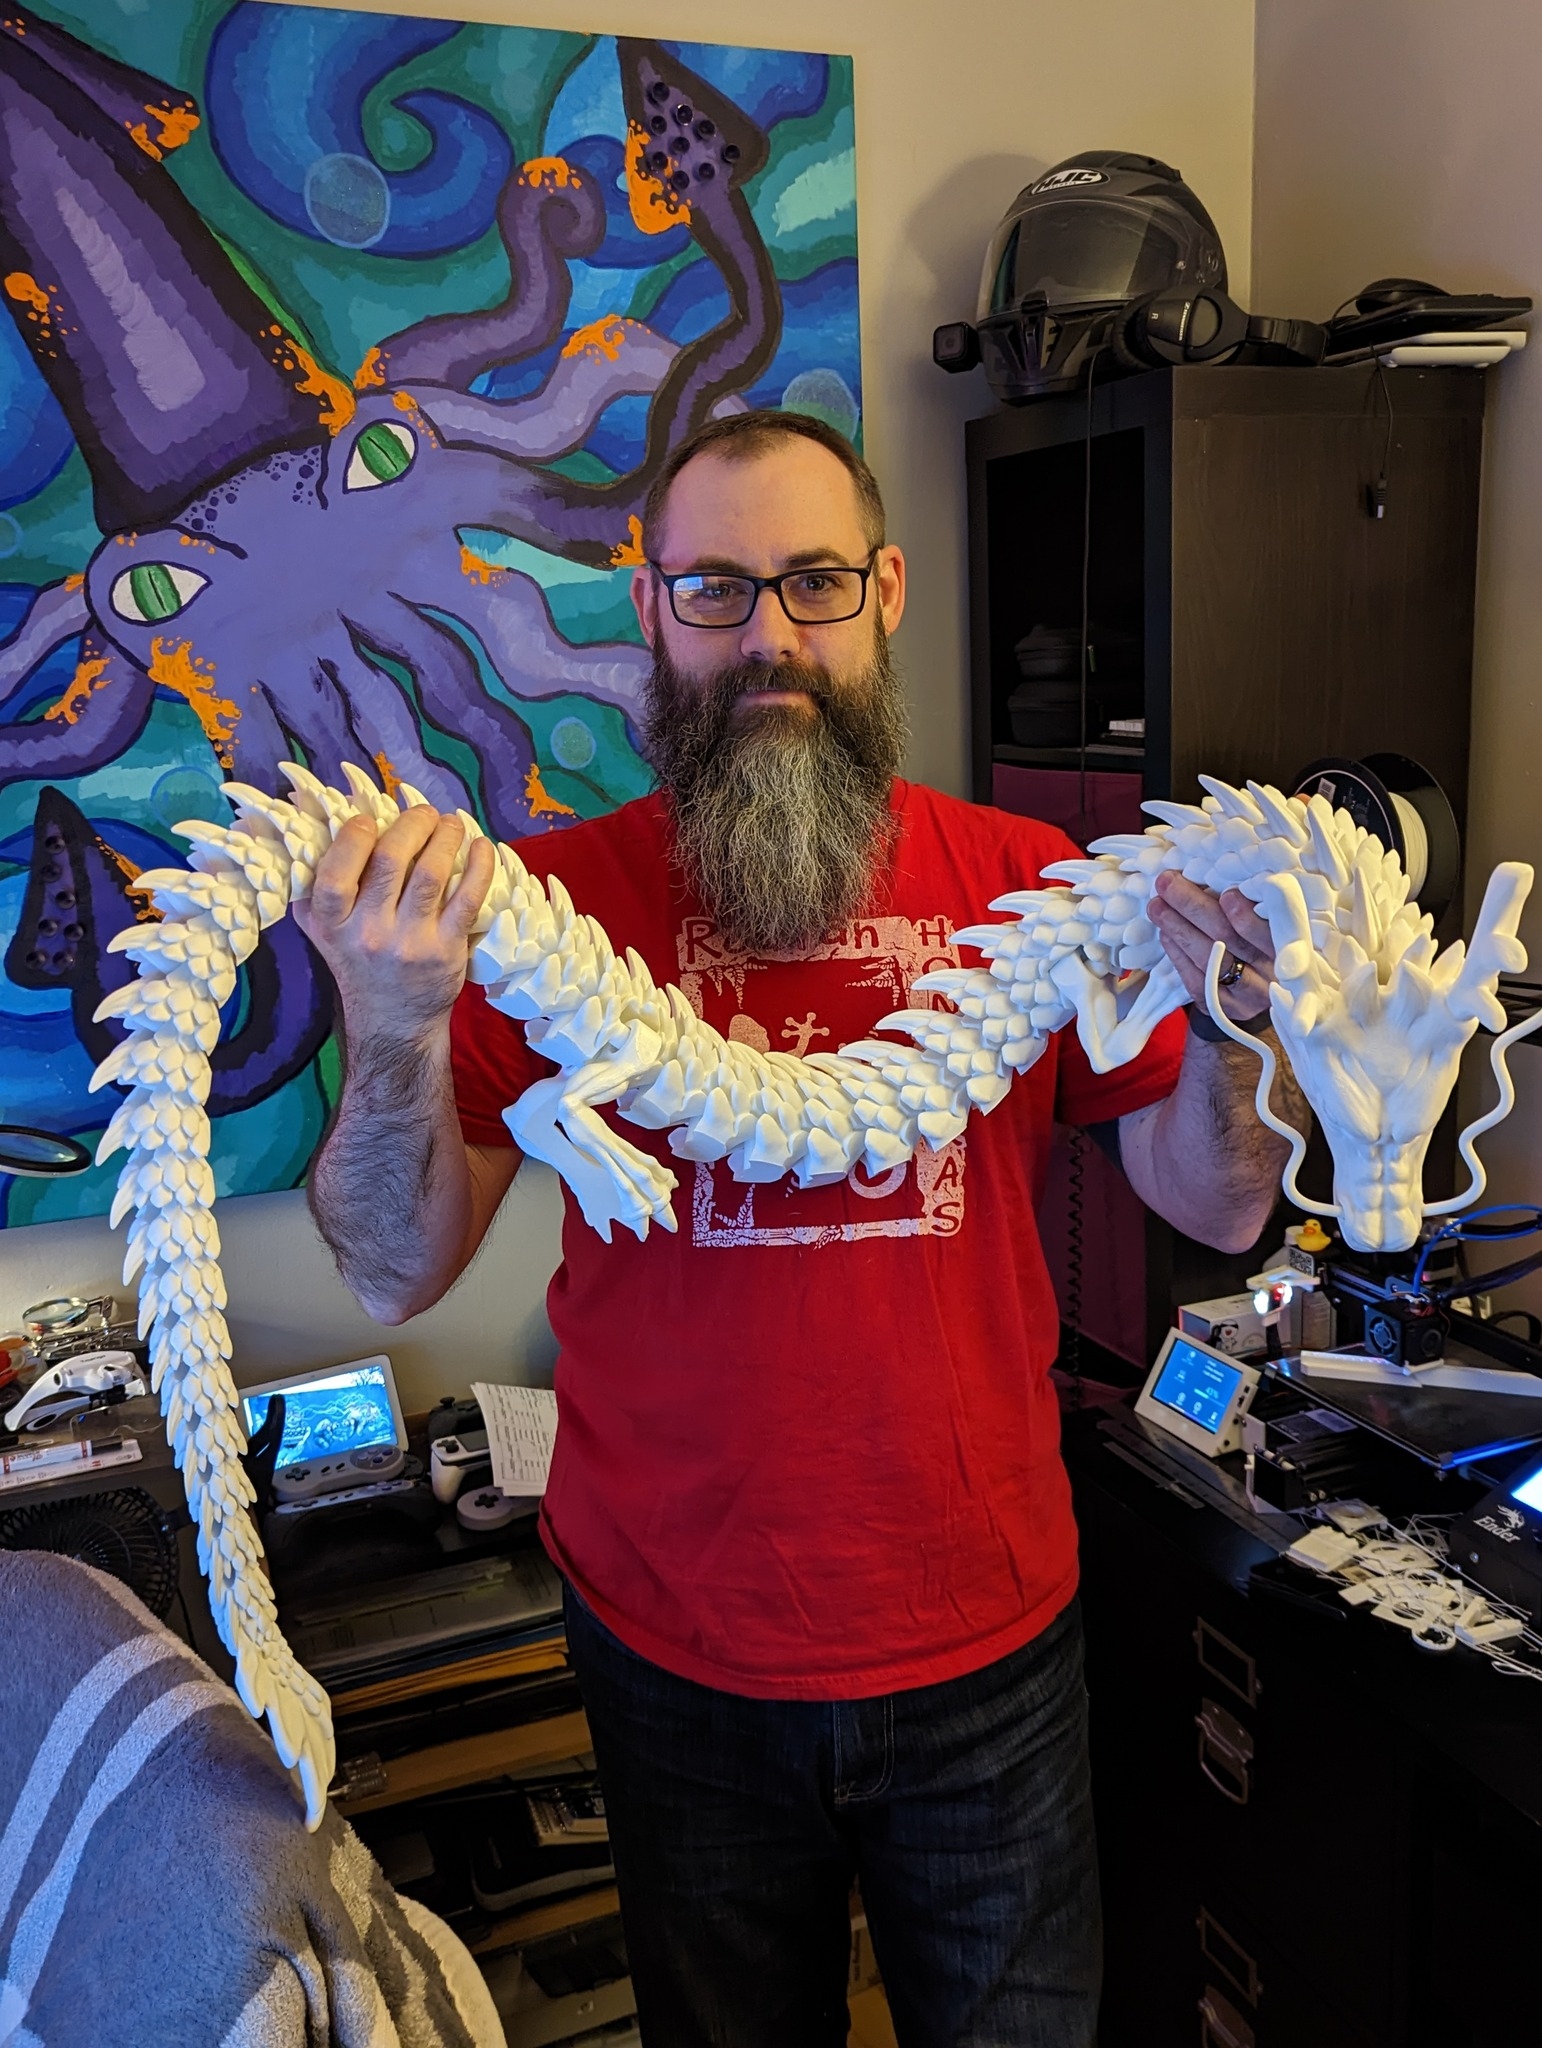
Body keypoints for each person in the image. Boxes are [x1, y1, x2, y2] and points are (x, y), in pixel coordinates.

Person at [299, 411, 1299, 2048]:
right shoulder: (538, 910)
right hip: (673, 1652)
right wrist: (391, 1020)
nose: (767, 635)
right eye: (715, 587)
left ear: (883, 593)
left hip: (985, 1643)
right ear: (650, 606)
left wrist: (1243, 1033)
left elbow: (1220, 1199)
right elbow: (392, 1265)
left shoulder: (1029, 882)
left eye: (813, 582)